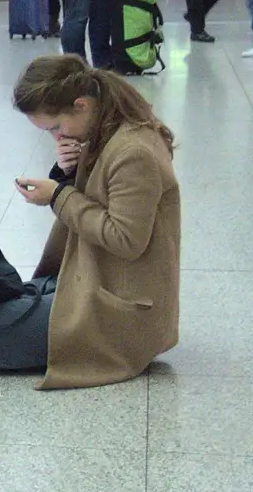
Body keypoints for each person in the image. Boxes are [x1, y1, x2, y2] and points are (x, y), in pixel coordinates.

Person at [11, 54, 180, 389]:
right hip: (93, 277)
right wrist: (68, 171)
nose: (57, 137)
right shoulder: (104, 129)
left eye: (56, 127)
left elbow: (126, 240)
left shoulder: (133, 152)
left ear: (82, 104)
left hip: (123, 309)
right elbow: (100, 196)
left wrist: (58, 195)